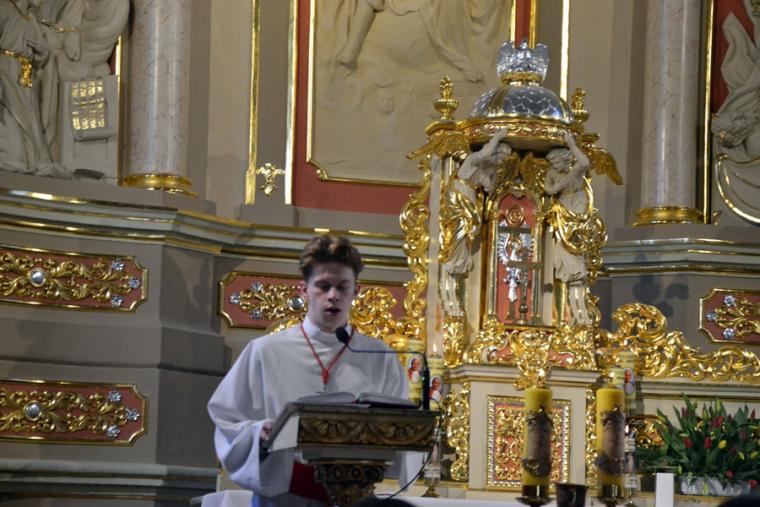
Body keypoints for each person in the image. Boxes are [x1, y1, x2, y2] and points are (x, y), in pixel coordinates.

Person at [207, 235, 413, 507]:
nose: (333, 296)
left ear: (356, 291)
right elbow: (226, 421)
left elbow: (400, 427)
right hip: (285, 496)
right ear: (304, 290)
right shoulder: (265, 351)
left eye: (343, 287)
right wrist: (259, 431)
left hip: (357, 495)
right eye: (323, 286)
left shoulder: (379, 356)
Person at [543, 132, 592, 326]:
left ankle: (576, 276)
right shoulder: (553, 173)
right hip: (562, 208)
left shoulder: (575, 172)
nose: (555, 166)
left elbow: (585, 162)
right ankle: (569, 274)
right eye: (553, 163)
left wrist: (572, 144)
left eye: (558, 162)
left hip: (576, 206)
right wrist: (555, 189)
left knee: (574, 244)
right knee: (562, 245)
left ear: (566, 159)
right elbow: (547, 188)